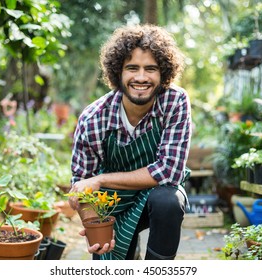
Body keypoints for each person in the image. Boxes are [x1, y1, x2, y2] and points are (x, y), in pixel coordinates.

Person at [68, 24, 191, 260]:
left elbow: (169, 172)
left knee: (169, 200)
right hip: (112, 204)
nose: (141, 77)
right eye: (132, 68)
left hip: (156, 195)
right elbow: (82, 184)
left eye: (151, 69)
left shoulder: (174, 102)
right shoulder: (94, 118)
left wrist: (102, 179)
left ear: (163, 74)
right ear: (118, 73)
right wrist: (94, 226)